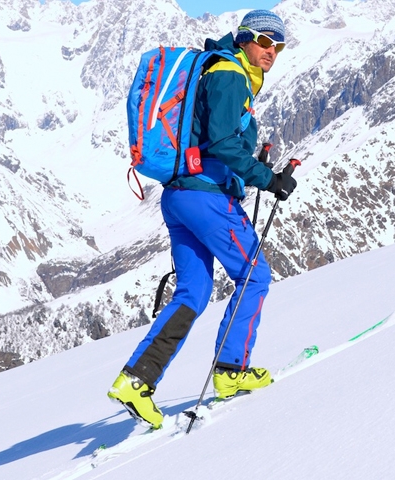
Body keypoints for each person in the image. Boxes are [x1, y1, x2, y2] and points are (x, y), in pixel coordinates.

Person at [107, 10, 297, 429]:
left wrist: (248, 164)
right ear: (246, 37)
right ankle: (231, 371)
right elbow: (225, 143)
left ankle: (135, 382)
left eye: (279, 46)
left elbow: (218, 140)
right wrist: (267, 179)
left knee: (194, 290)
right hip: (206, 197)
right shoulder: (230, 75)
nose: (272, 52)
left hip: (178, 195)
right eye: (265, 42)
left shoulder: (221, 70)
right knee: (254, 276)